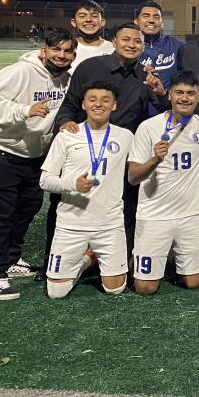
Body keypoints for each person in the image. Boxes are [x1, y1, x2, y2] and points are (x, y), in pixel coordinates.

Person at [0, 28, 76, 299]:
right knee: (0, 214)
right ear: (44, 51)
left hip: (31, 154)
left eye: (67, 51)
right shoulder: (19, 71)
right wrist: (24, 111)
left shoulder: (66, 79)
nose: (61, 55)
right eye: (56, 49)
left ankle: (11, 258)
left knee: (29, 206)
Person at [54, 22, 162, 252]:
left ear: (143, 46)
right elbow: (70, 104)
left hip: (123, 153)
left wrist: (159, 93)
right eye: (126, 40)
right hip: (86, 149)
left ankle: (122, 257)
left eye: (137, 41)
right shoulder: (90, 66)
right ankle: (58, 256)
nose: (131, 45)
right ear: (114, 42)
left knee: (126, 204)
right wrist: (64, 123)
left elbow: (161, 112)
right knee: (73, 201)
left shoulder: (146, 74)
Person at [127, 70, 199, 295]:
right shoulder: (149, 127)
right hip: (154, 216)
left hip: (191, 216)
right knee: (145, 288)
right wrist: (155, 159)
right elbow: (133, 177)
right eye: (179, 93)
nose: (185, 98)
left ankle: (172, 255)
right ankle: (144, 258)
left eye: (191, 93)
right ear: (170, 96)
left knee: (194, 283)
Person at [39, 80, 132, 298]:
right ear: (83, 105)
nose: (98, 104)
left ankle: (94, 256)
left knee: (115, 289)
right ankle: (86, 260)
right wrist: (72, 184)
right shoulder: (67, 135)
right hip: (71, 224)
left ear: (114, 105)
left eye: (105, 100)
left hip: (109, 224)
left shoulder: (126, 136)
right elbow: (44, 180)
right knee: (56, 293)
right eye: (92, 100)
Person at [135, 0, 183, 109]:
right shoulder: (129, 48)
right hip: (136, 113)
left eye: (156, 17)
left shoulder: (176, 45)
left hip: (167, 110)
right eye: (146, 16)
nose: (151, 20)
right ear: (136, 21)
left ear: (162, 23)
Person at [67, 0, 113, 73]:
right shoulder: (65, 49)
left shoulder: (114, 49)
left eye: (94, 16)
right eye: (82, 16)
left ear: (102, 22)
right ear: (73, 22)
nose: (88, 19)